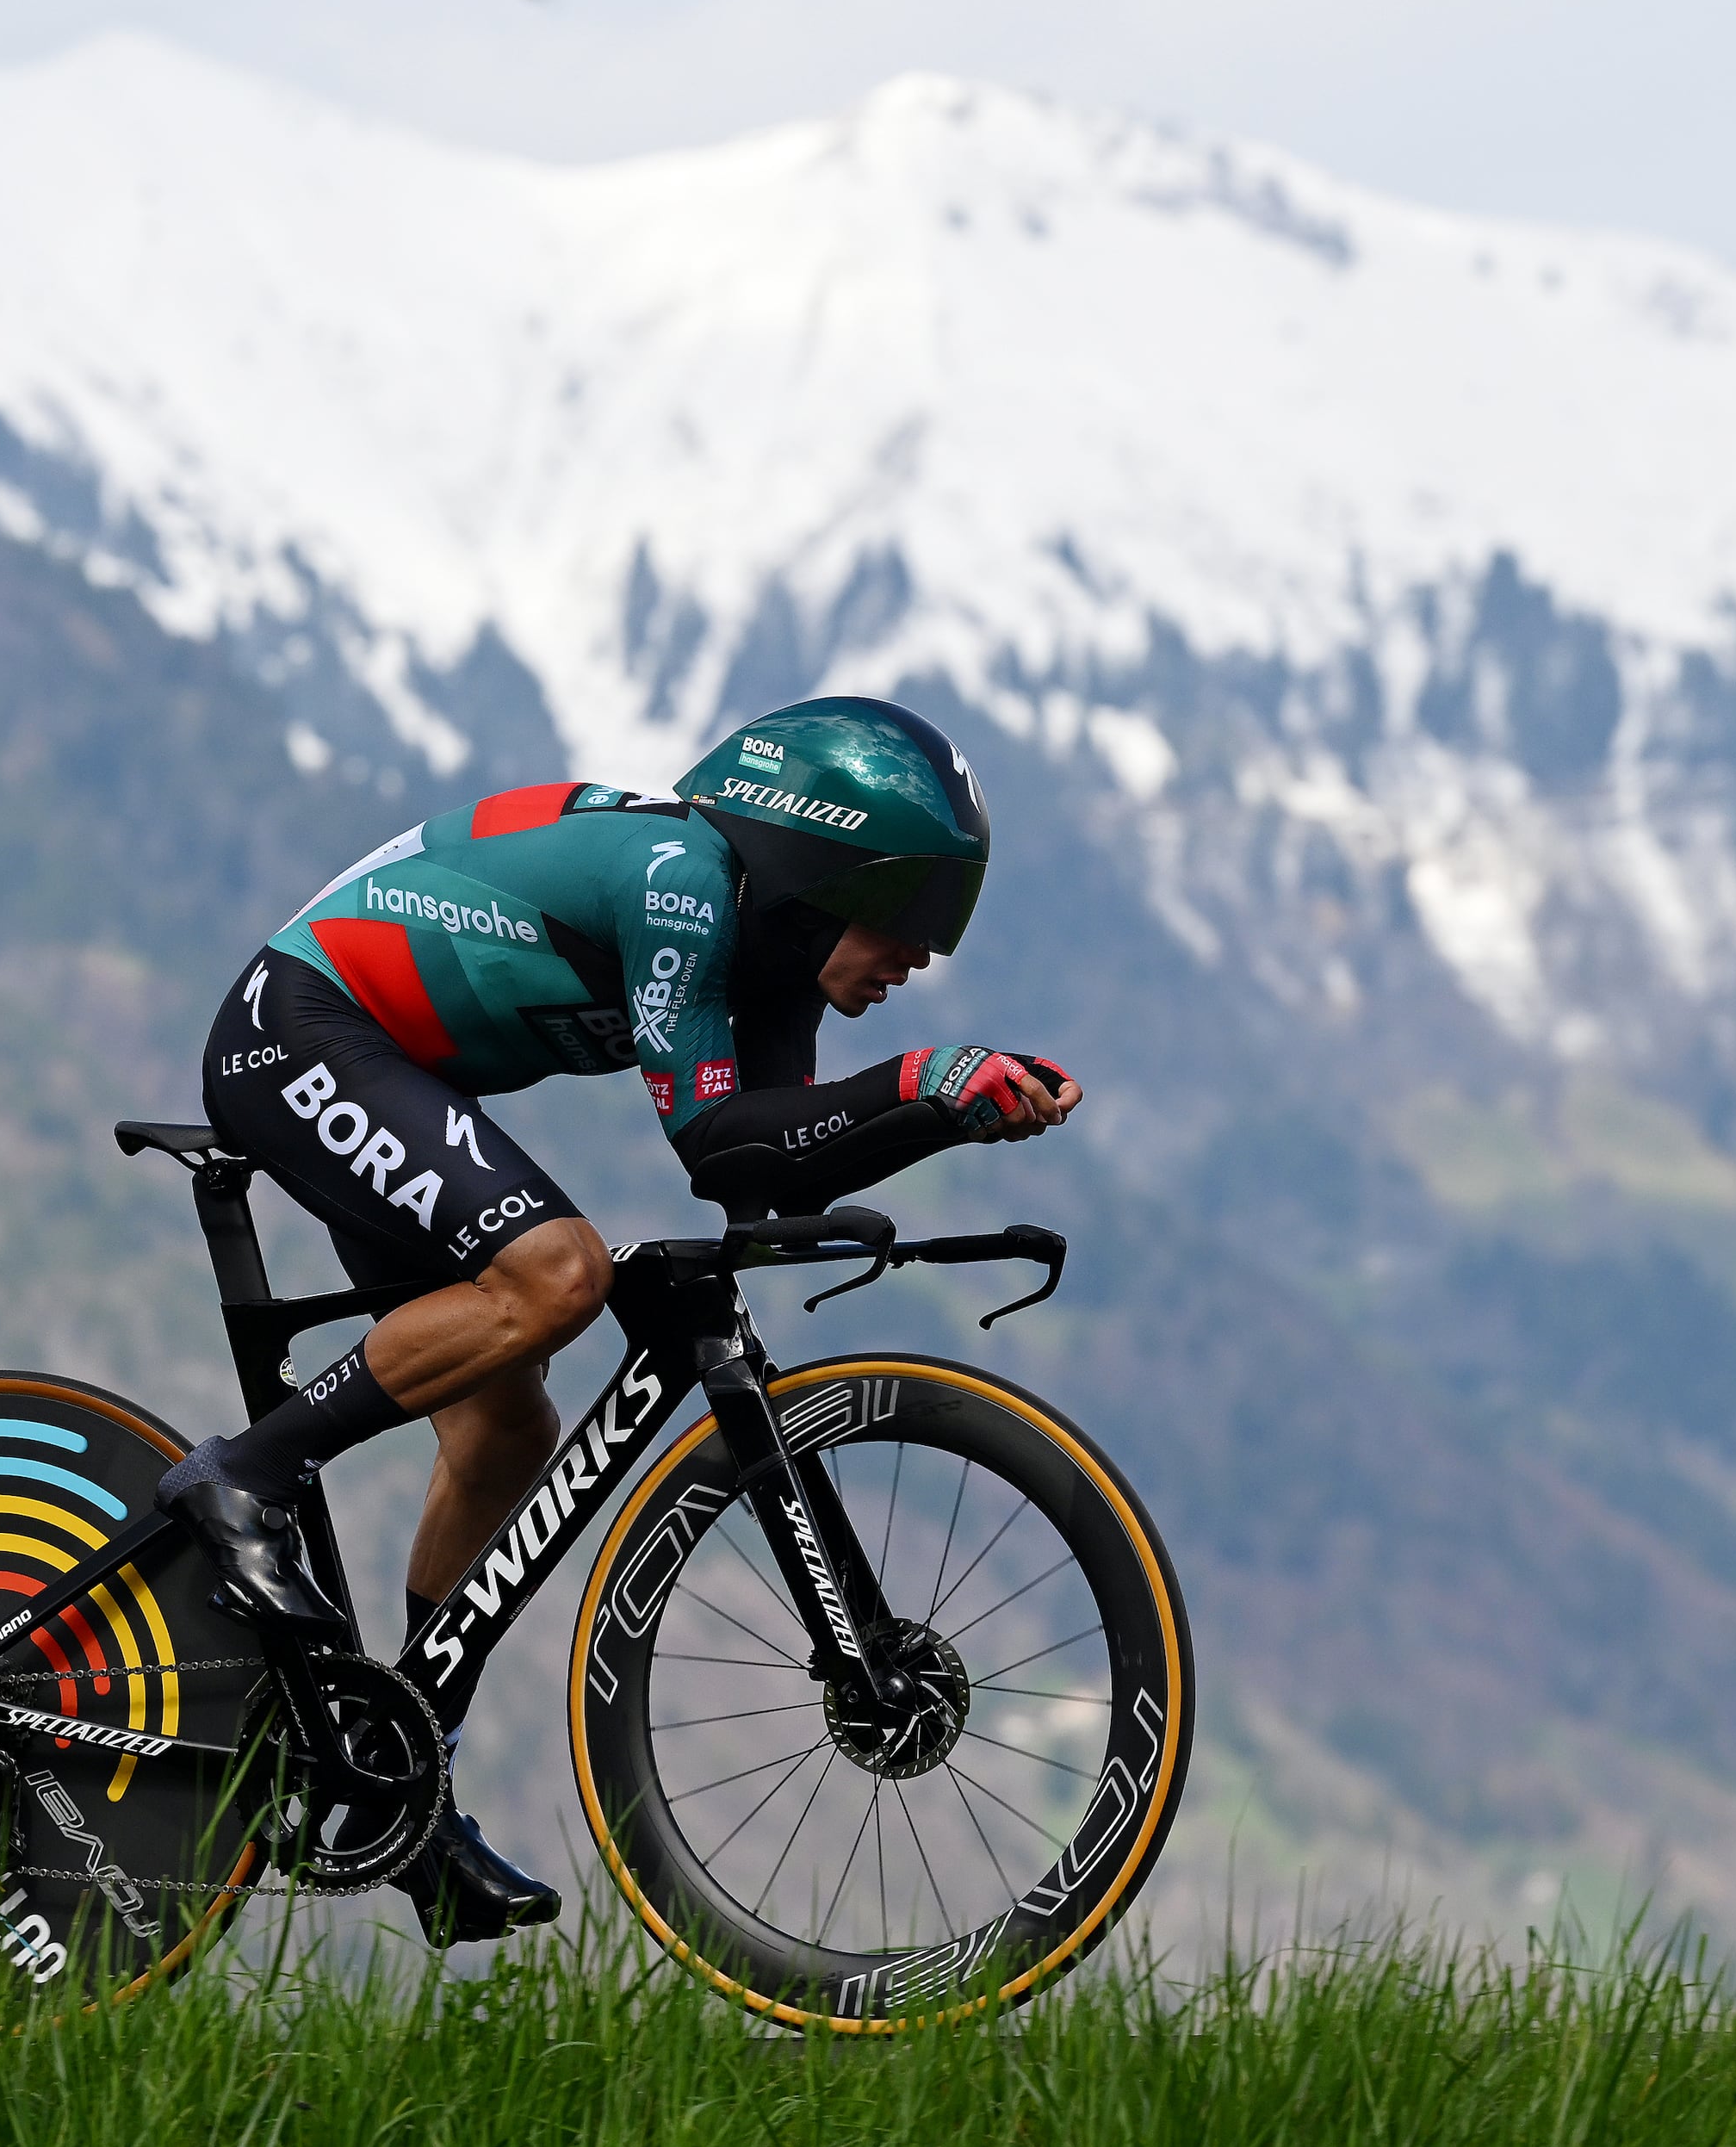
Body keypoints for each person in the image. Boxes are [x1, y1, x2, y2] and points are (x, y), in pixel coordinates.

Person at [159, 692, 1082, 1943]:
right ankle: (240, 1479)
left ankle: (401, 1766)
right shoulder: (682, 879)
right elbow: (710, 1137)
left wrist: (951, 1109)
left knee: (506, 1435)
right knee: (559, 1275)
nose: (922, 952)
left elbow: (764, 1168)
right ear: (818, 861)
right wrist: (927, 1076)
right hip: (302, 1027)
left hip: (396, 1068)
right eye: (908, 908)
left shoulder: (774, 965)